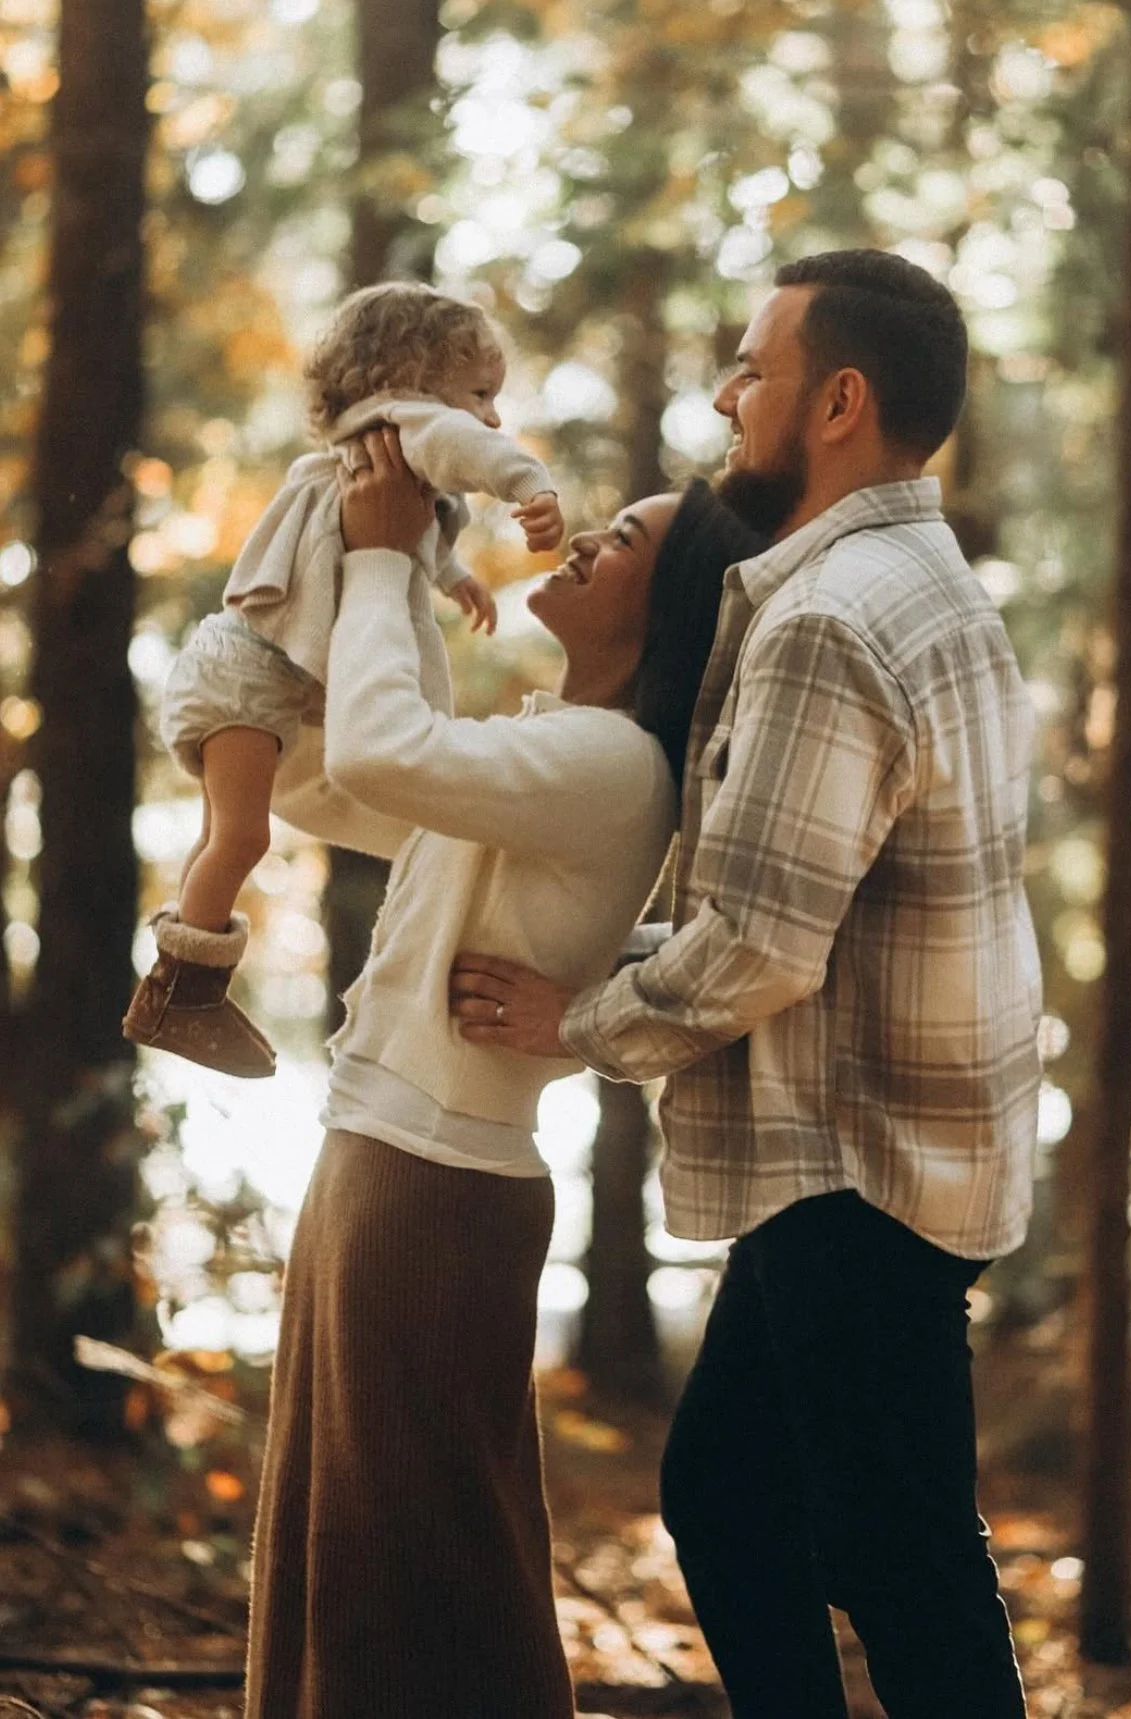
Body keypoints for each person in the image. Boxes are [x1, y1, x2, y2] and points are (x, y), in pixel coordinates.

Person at [449, 248, 1043, 1719]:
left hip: (860, 1161)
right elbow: (806, 921)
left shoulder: (829, 618)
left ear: (838, 400)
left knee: (890, 1552)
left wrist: (573, 1019)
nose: (725, 395)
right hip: (885, 1141)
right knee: (733, 1500)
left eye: (753, 371)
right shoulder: (922, 582)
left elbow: (763, 942)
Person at [243, 433, 768, 1719]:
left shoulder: (609, 769)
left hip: (434, 1190)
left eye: (627, 542)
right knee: (343, 1545)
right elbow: (328, 779)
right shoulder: (553, 752)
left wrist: (377, 564)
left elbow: (380, 756)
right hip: (383, 1163)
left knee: (425, 1561)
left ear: (670, 606)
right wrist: (354, 560)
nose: (588, 542)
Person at [124, 283, 563, 1078]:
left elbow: (392, 528)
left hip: (239, 672)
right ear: (412, 384)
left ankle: (176, 988)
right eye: (479, 395)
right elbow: (471, 451)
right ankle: (185, 998)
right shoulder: (409, 426)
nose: (490, 417)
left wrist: (453, 574)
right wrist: (531, 486)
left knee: (219, 838)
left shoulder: (358, 453)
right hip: (249, 677)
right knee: (242, 837)